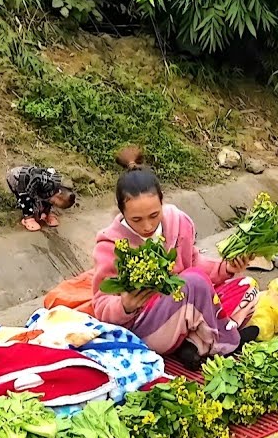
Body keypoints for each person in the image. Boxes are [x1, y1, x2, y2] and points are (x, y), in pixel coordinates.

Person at [91, 147, 259, 370]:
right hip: (149, 329)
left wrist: (225, 267)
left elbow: (194, 262)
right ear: (121, 212)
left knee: (247, 287)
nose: (148, 226)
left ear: (162, 202)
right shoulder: (110, 244)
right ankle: (223, 343)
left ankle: (191, 345)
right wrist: (126, 305)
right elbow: (101, 305)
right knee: (192, 282)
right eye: (137, 219)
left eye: (154, 215)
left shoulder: (179, 222)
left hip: (187, 306)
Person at [6, 165, 76, 232]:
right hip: (17, 177)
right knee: (26, 198)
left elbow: (46, 198)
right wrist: (36, 211)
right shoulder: (47, 185)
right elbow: (33, 193)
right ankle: (28, 218)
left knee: (47, 199)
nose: (53, 204)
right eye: (55, 203)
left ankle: (46, 214)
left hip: (32, 182)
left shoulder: (54, 189)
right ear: (59, 194)